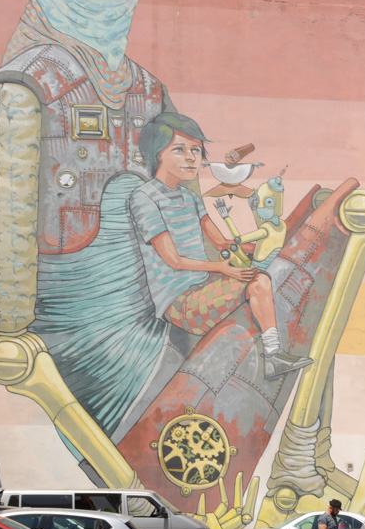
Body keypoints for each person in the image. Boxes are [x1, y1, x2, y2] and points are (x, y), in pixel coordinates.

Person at [129, 112, 312, 379]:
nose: (191, 158)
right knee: (258, 281)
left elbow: (220, 241)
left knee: (263, 274)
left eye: (196, 150)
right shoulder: (144, 198)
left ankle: (271, 354)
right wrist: (223, 268)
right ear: (158, 154)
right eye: (180, 150)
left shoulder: (190, 197)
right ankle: (273, 357)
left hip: (204, 283)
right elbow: (174, 261)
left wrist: (261, 246)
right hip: (178, 301)